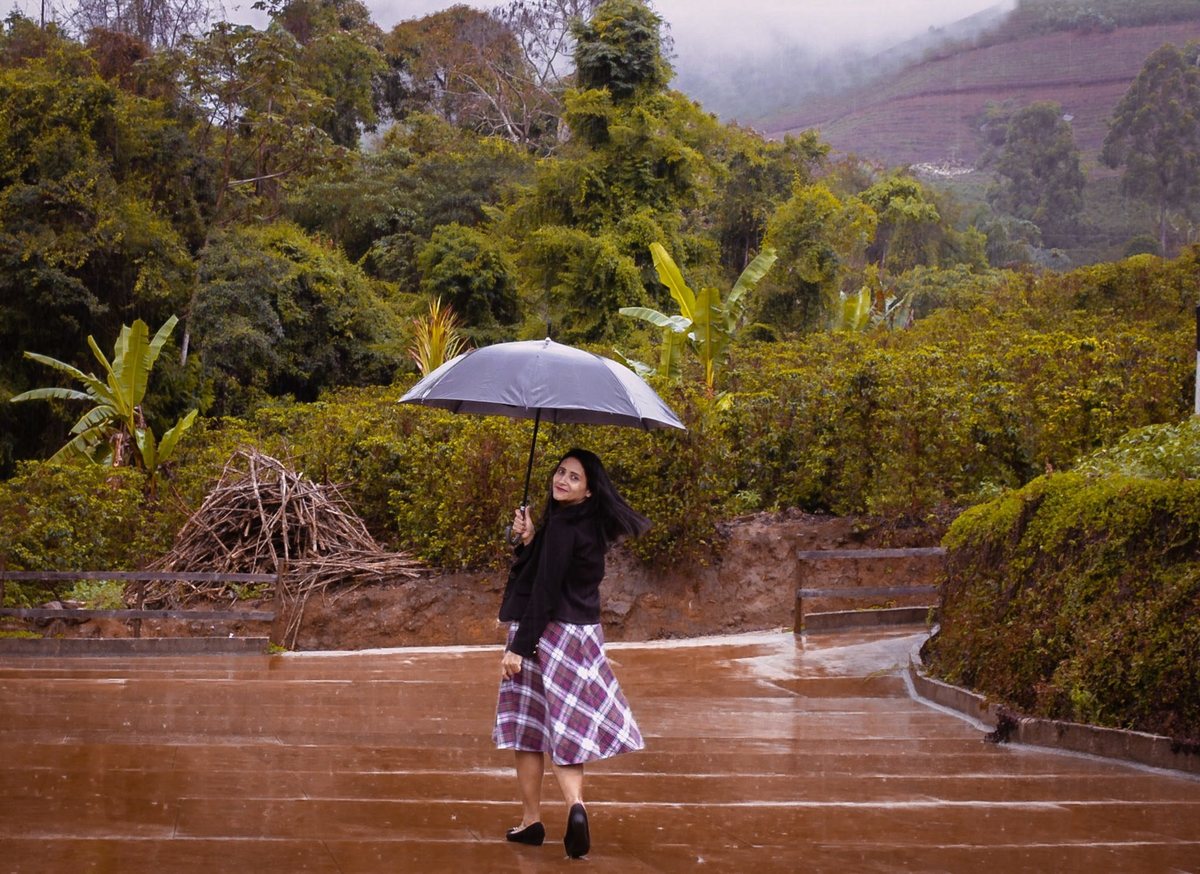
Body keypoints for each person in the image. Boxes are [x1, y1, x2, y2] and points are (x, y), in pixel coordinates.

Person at [493, 448, 650, 859]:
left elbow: (543, 592)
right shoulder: (584, 527)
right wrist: (529, 539)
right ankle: (575, 807)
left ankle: (531, 820)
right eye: (561, 472)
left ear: (589, 490)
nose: (562, 480)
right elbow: (547, 572)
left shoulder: (563, 529)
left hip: (546, 635)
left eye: (574, 478)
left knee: (529, 729)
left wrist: (519, 648)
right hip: (581, 636)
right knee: (567, 729)